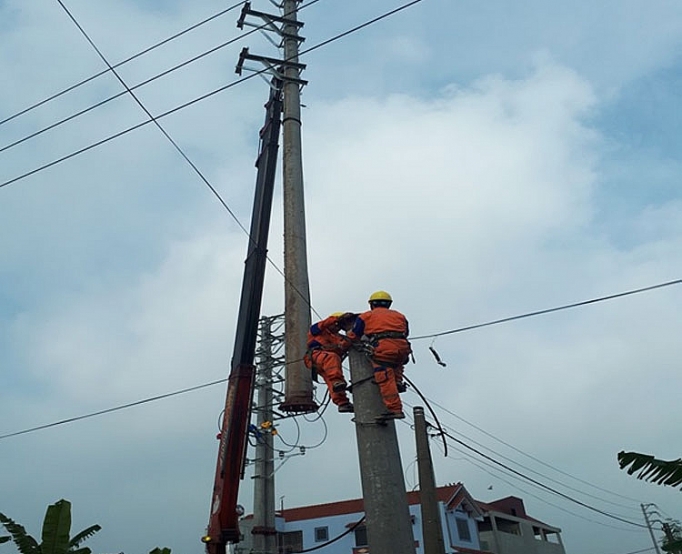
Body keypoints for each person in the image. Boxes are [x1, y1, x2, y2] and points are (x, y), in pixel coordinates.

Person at [347, 291, 411, 419]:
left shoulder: (366, 316)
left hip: (384, 349)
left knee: (384, 377)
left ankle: (395, 409)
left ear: (371, 304)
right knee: (396, 364)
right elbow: (406, 332)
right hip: (402, 347)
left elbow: (355, 335)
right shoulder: (400, 316)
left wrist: (345, 342)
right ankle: (398, 381)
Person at [304, 312, 357, 413]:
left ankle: (342, 403)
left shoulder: (338, 337)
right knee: (332, 361)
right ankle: (337, 382)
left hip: (327, 363)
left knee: (332, 381)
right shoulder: (318, 329)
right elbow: (323, 324)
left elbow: (345, 344)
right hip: (317, 356)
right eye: (336, 325)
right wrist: (337, 319)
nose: (337, 328)